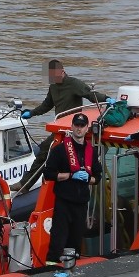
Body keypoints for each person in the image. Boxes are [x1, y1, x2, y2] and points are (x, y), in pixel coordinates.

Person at [12, 60, 115, 193]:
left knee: (47, 150)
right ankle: (25, 184)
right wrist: (31, 113)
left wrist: (106, 98)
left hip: (73, 127)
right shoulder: (53, 87)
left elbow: (90, 94)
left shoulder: (74, 84)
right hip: (59, 128)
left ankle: (30, 184)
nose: (53, 79)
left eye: (55, 76)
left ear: (62, 71)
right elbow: (46, 105)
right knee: (43, 150)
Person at [43, 112, 104, 265]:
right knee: (58, 239)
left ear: (86, 129)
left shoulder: (92, 151)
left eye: (82, 126)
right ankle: (50, 270)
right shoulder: (60, 150)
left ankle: (70, 270)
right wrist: (71, 175)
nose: (79, 129)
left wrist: (88, 179)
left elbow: (98, 177)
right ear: (71, 127)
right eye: (76, 125)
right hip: (64, 202)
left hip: (81, 203)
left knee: (76, 240)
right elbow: (48, 173)